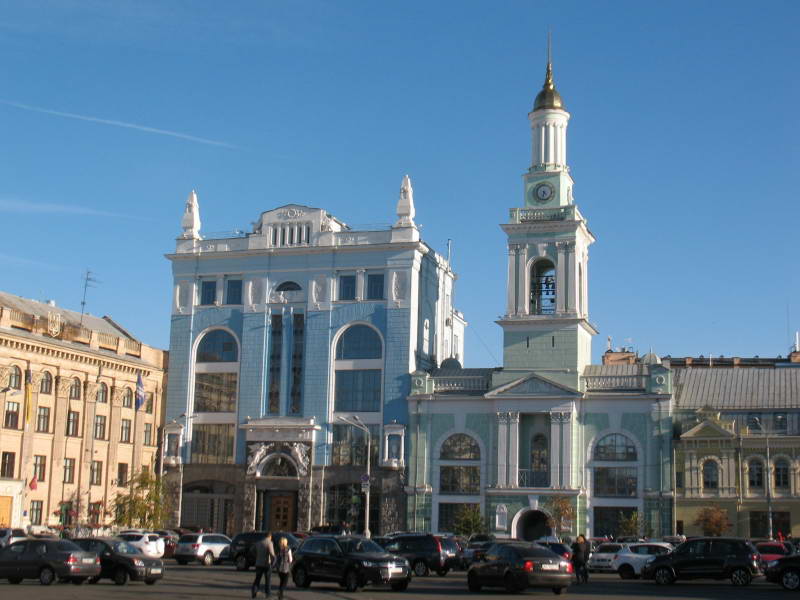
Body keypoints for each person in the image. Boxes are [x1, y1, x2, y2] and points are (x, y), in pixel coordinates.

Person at [252, 532, 276, 598]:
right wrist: (273, 562)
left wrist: (256, 556)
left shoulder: (258, 542)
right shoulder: (269, 543)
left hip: (258, 563)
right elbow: (272, 554)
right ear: (270, 536)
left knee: (257, 579)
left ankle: (254, 591)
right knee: (267, 580)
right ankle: (268, 594)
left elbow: (252, 550)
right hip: (266, 564)